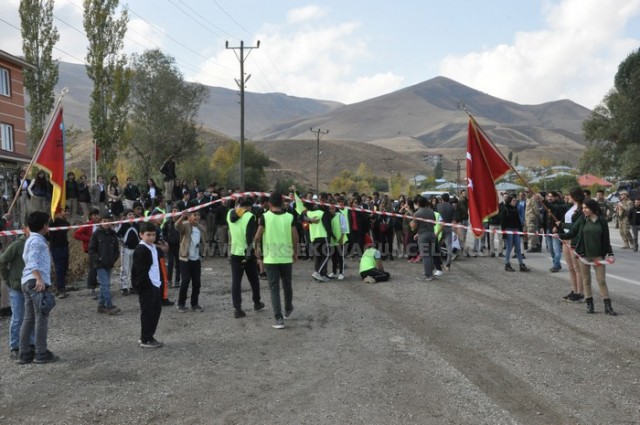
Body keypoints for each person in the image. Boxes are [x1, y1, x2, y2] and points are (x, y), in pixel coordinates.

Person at [556, 199, 616, 315]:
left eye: (586, 208)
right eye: (582, 208)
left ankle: (608, 306)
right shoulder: (582, 220)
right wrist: (559, 235)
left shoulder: (601, 221)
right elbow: (572, 233)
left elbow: (606, 239)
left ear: (593, 208)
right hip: (583, 256)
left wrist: (611, 254)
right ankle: (590, 305)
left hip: (598, 256)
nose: (583, 210)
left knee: (601, 280)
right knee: (586, 280)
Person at [18, 211, 59, 364]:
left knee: (29, 318)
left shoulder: (31, 239)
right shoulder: (37, 242)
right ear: (44, 226)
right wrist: (39, 279)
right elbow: (32, 261)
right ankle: (41, 352)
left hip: (27, 281)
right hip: (35, 282)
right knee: (41, 317)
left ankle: (25, 353)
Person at [254, 192, 298, 329]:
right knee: (287, 284)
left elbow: (257, 236)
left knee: (274, 288)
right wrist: (295, 252)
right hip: (286, 256)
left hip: (270, 258)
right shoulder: (290, 217)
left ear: (270, 203)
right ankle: (288, 308)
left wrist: (256, 249)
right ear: (282, 202)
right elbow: (295, 236)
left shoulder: (264, 217)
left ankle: (279, 318)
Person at [227, 197, 265, 318]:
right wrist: (251, 254)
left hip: (234, 252)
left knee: (236, 282)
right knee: (254, 279)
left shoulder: (229, 214)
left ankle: (237, 309)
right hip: (247, 253)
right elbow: (249, 238)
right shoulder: (250, 216)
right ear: (248, 207)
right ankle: (257, 302)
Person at [0, 232, 34, 360]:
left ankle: (31, 344)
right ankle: (14, 347)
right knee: (18, 317)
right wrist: (7, 279)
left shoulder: (36, 243)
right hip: (17, 287)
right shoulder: (17, 245)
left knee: (31, 316)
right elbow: (2, 261)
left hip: (31, 286)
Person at [131, 221, 164, 348]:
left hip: (155, 284)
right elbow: (140, 272)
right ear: (141, 235)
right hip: (147, 286)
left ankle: (147, 335)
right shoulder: (141, 250)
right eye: (148, 235)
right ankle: (146, 338)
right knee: (148, 312)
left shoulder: (152, 247)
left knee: (155, 310)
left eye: (153, 235)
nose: (151, 237)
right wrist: (144, 286)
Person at [89, 214, 121, 315]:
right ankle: (109, 306)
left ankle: (100, 306)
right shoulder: (96, 233)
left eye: (108, 221)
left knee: (104, 286)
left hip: (109, 263)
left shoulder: (113, 233)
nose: (106, 223)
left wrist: (114, 258)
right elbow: (91, 249)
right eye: (104, 221)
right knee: (105, 285)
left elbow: (116, 248)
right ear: (101, 222)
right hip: (99, 264)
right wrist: (97, 259)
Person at [175, 210, 207, 312]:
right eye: (194, 215)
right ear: (189, 216)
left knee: (197, 283)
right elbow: (177, 225)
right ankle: (181, 304)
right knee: (185, 281)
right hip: (185, 258)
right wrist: (182, 217)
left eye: (198, 215)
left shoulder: (200, 228)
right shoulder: (185, 225)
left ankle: (194, 304)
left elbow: (203, 240)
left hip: (196, 259)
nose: (197, 217)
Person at [559, 187, 585, 302]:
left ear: (575, 196)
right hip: (566, 238)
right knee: (570, 267)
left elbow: (577, 227)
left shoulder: (581, 209)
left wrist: (562, 225)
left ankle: (581, 292)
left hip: (574, 240)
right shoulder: (570, 207)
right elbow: (555, 208)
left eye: (569, 195)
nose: (567, 197)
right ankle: (573, 290)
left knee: (577, 268)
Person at [73, 208, 101, 297]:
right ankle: (91, 286)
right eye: (94, 215)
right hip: (92, 248)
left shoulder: (101, 224)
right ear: (91, 216)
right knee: (93, 266)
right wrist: (89, 239)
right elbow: (76, 234)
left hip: (100, 248)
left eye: (97, 215)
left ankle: (95, 284)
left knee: (98, 266)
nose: (96, 216)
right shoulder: (88, 225)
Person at [500, 195, 530, 272]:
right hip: (508, 230)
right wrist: (504, 233)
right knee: (509, 248)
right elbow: (502, 222)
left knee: (518, 248)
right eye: (513, 201)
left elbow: (518, 221)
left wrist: (521, 232)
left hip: (516, 229)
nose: (515, 202)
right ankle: (507, 264)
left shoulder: (516, 209)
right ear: (509, 201)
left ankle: (521, 265)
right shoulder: (505, 209)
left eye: (515, 201)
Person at [412, 196, 437, 281]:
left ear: (418, 204)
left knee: (425, 255)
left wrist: (412, 224)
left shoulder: (417, 213)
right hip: (431, 233)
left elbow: (414, 227)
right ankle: (430, 272)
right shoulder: (431, 211)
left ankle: (428, 275)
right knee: (430, 255)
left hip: (423, 235)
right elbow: (434, 224)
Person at [49, 207, 71, 299]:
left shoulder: (66, 222)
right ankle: (60, 289)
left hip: (64, 246)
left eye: (67, 211)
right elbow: (49, 224)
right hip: (55, 247)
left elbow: (67, 228)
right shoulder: (53, 221)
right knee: (59, 268)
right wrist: (55, 215)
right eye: (64, 211)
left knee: (65, 267)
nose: (67, 213)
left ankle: (62, 287)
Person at [117, 209, 140, 295]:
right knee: (125, 268)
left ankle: (132, 286)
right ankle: (124, 287)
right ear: (126, 216)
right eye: (129, 214)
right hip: (126, 249)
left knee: (133, 269)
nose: (132, 216)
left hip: (135, 249)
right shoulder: (123, 225)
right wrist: (121, 241)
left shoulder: (136, 225)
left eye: (133, 214)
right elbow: (117, 235)